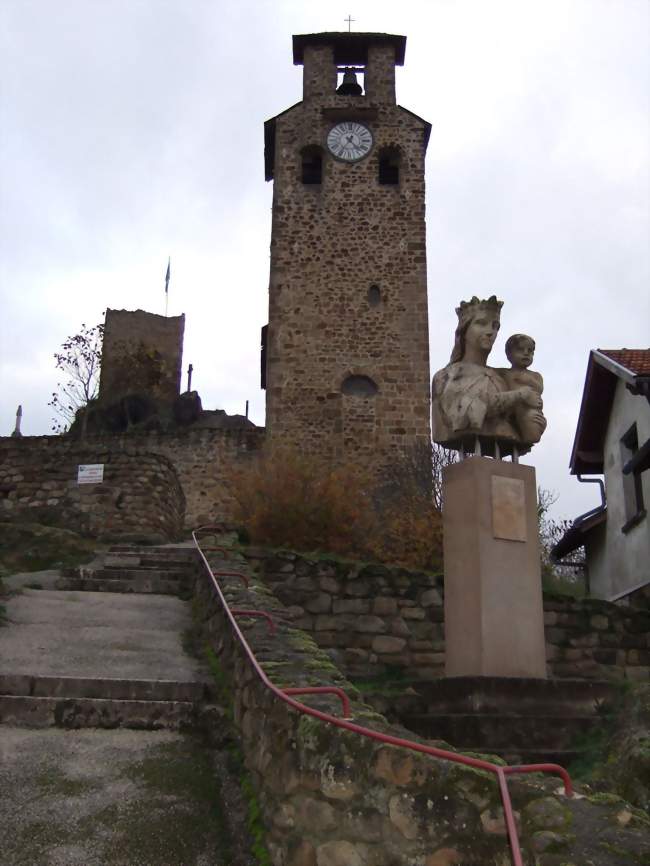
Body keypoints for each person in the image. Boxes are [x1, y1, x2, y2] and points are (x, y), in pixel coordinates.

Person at [431, 296, 545, 455]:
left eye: (495, 326)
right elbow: (463, 414)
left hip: (506, 450)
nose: (491, 332)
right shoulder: (447, 376)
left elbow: (525, 422)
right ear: (465, 330)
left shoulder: (502, 376)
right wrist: (519, 395)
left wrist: (534, 420)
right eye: (481, 323)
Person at [501, 334, 547, 444]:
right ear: (509, 354)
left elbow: (539, 389)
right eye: (520, 349)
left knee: (533, 435)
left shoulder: (535, 376)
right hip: (513, 411)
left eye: (530, 351)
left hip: (532, 413)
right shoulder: (505, 373)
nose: (526, 353)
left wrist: (527, 380)